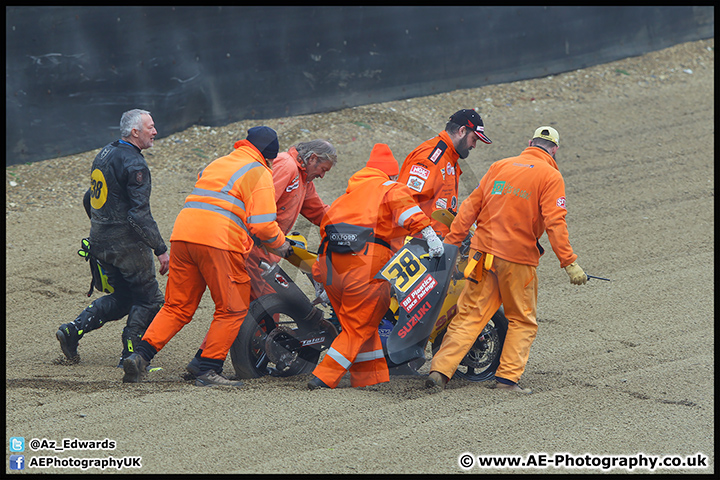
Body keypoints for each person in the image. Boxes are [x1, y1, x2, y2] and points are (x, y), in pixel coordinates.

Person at [122, 126, 292, 387]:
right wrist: (282, 247)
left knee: (176, 306)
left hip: (183, 235)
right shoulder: (259, 171)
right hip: (219, 240)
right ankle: (208, 369)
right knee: (232, 308)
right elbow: (263, 225)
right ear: (269, 157)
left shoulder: (219, 163)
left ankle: (140, 357)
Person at [425, 126, 587, 393]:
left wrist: (452, 244)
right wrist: (569, 263)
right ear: (554, 149)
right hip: (517, 259)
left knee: (469, 316)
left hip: (482, 255)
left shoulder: (500, 166)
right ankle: (507, 381)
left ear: (529, 143)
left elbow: (469, 207)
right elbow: (555, 223)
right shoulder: (551, 175)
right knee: (521, 320)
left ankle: (440, 371)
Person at [185, 139, 338, 377]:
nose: (322, 175)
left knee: (244, 306)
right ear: (313, 158)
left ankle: (205, 360)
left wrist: (346, 225)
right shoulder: (286, 166)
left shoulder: (303, 178)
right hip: (251, 246)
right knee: (268, 302)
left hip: (259, 247)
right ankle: (244, 359)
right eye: (323, 169)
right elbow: (258, 203)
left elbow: (319, 212)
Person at [307, 143, 445, 390]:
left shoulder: (344, 199)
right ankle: (323, 377)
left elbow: (324, 235)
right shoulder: (389, 188)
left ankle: (369, 377)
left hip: (330, 269)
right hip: (365, 266)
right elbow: (405, 209)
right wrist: (431, 236)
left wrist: (320, 279)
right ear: (390, 174)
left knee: (362, 325)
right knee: (359, 326)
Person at [56, 109, 170, 367]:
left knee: (123, 298)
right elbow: (138, 216)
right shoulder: (135, 163)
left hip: (100, 241)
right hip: (127, 247)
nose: (155, 132)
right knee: (149, 300)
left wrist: (101, 226)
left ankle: (72, 331)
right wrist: (160, 249)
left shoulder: (104, 153)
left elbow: (89, 198)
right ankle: (130, 354)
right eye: (150, 127)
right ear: (135, 132)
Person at [397, 108, 492, 237]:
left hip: (433, 245)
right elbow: (402, 202)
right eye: (474, 139)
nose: (474, 145)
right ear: (462, 131)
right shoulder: (431, 158)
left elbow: (440, 205)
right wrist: (427, 234)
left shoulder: (449, 158)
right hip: (417, 245)